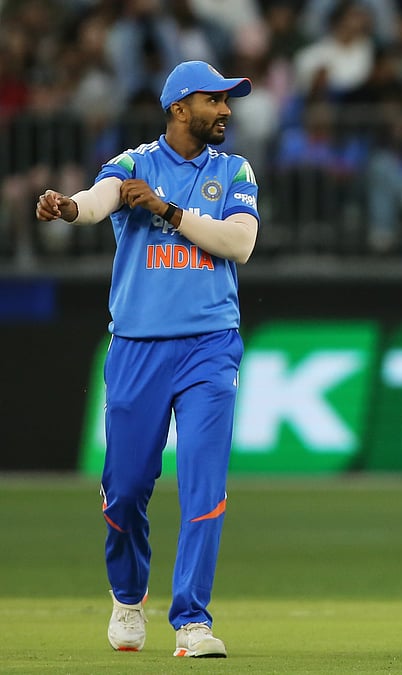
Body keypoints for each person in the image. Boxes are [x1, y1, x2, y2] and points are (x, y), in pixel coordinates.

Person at [35, 60, 259, 659]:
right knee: (127, 487)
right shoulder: (134, 163)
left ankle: (192, 621)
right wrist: (68, 208)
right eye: (214, 100)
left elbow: (240, 243)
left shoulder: (234, 170)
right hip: (138, 346)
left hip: (210, 346)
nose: (226, 110)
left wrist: (166, 210)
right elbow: (95, 201)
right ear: (180, 108)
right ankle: (128, 597)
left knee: (204, 484)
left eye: (228, 100)